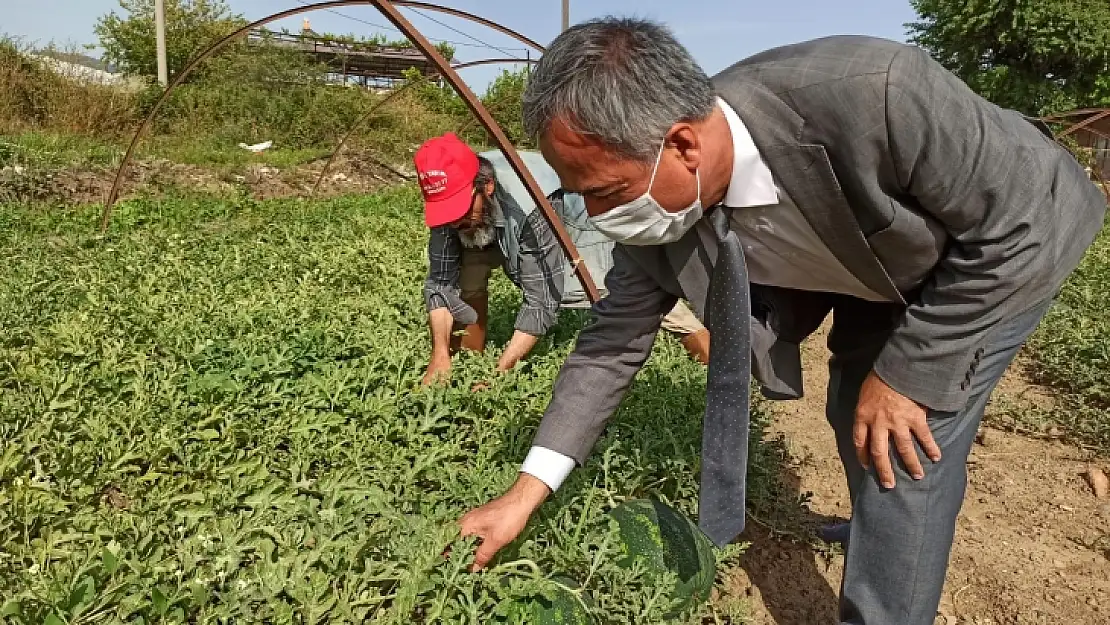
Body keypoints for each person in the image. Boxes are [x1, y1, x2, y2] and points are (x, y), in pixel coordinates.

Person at [456, 18, 1106, 625]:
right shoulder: (655, 211)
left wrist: (908, 374)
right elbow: (607, 348)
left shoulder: (876, 95)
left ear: (682, 144)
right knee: (853, 405)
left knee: (902, 445)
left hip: (1003, 243)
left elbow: (1023, 221)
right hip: (871, 265)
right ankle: (880, 531)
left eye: (606, 192)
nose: (598, 218)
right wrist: (523, 493)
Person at [415, 132, 710, 385]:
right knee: (468, 281)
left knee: (625, 284)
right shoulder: (449, 200)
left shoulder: (532, 201)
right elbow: (440, 283)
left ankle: (710, 358)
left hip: (571, 222)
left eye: (462, 210)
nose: (455, 222)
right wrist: (438, 353)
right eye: (448, 213)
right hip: (493, 221)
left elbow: (541, 298)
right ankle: (466, 360)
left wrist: (499, 374)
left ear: (486, 187)